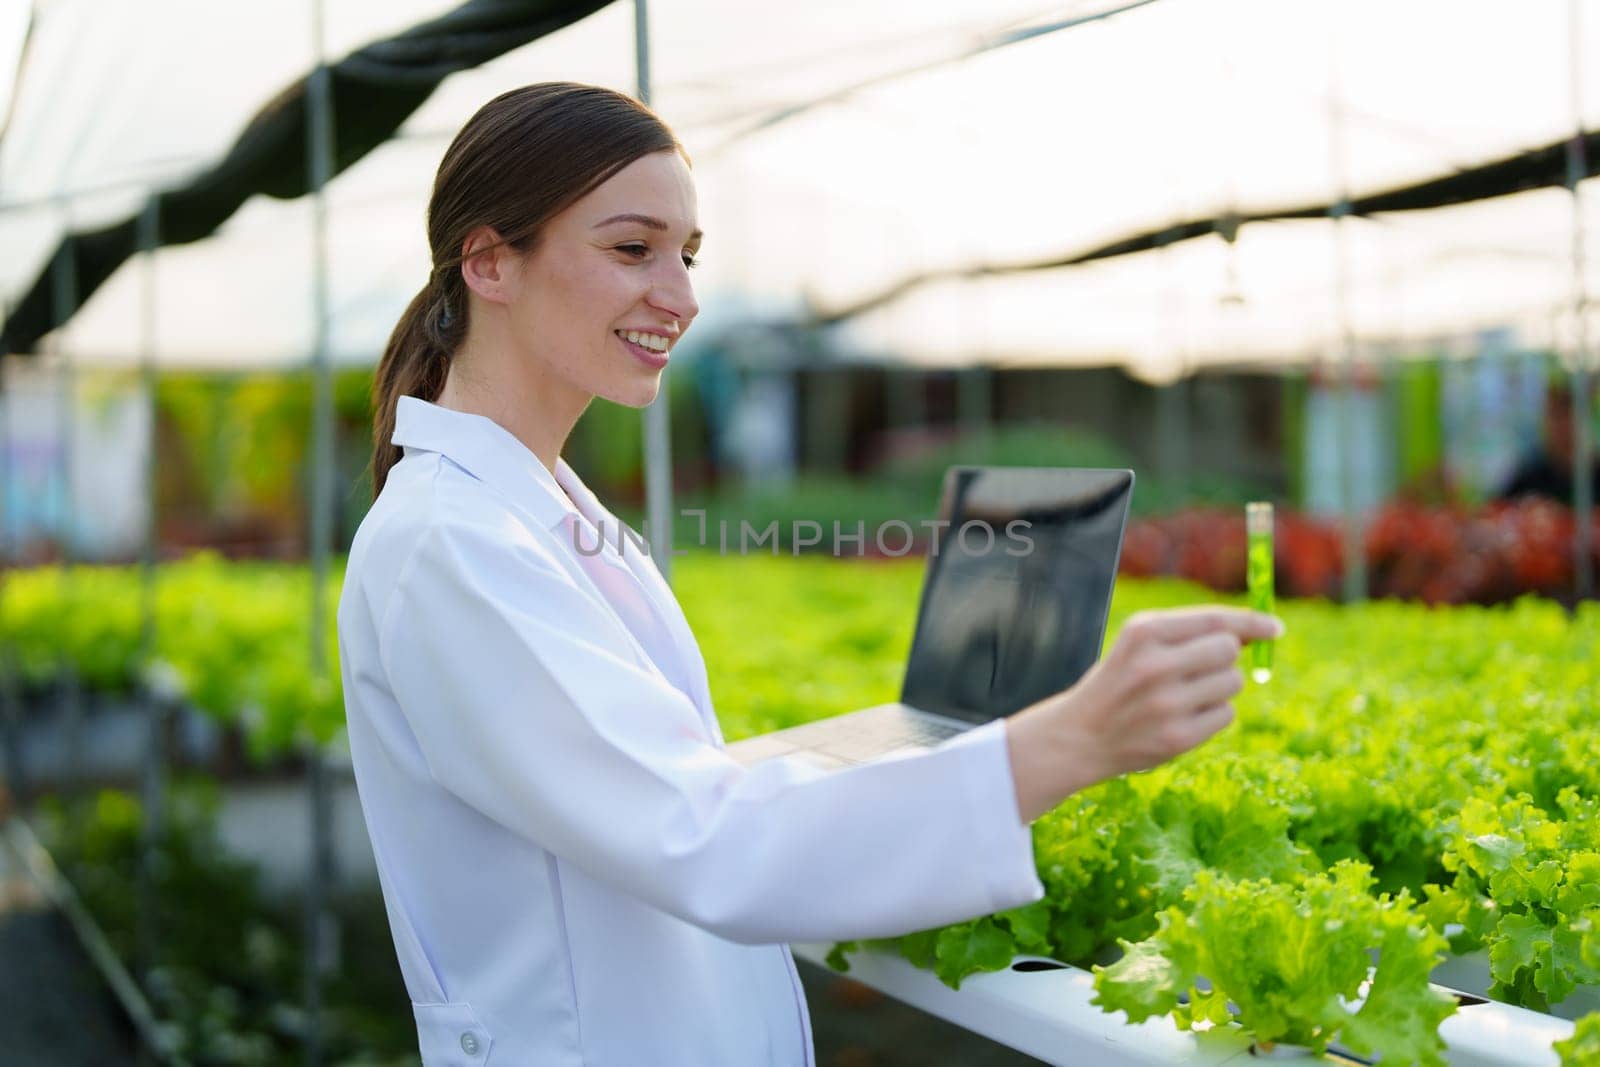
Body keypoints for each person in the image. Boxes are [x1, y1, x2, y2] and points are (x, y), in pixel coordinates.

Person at [336, 81, 1281, 1066]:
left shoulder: (536, 506)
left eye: (689, 256)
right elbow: (708, 842)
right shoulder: (450, 544)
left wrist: (893, 753)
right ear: (490, 261)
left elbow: (647, 787)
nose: (682, 295)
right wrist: (1065, 741)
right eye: (632, 249)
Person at [1497, 382, 1600, 506]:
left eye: (1567, 414)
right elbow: (1498, 506)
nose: (1561, 426)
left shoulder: (1593, 473)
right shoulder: (1530, 475)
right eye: (1554, 415)